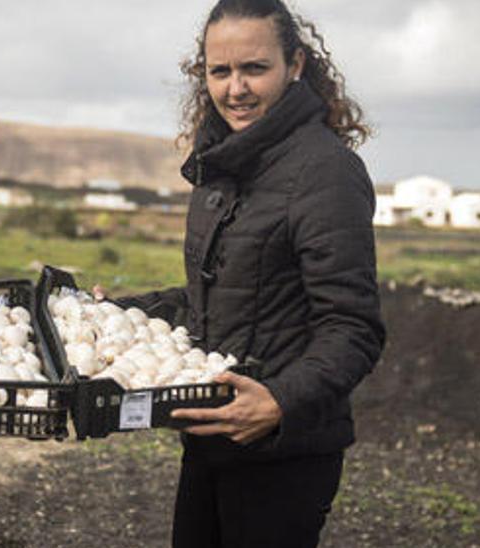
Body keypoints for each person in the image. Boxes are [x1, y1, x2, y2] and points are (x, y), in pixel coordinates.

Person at [112, 1, 385, 546]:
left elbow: (354, 328)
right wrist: (116, 314)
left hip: (283, 453)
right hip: (213, 437)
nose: (235, 88)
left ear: (296, 65)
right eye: (220, 71)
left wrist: (280, 401)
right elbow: (213, 299)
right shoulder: (225, 166)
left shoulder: (324, 172)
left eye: (254, 68)